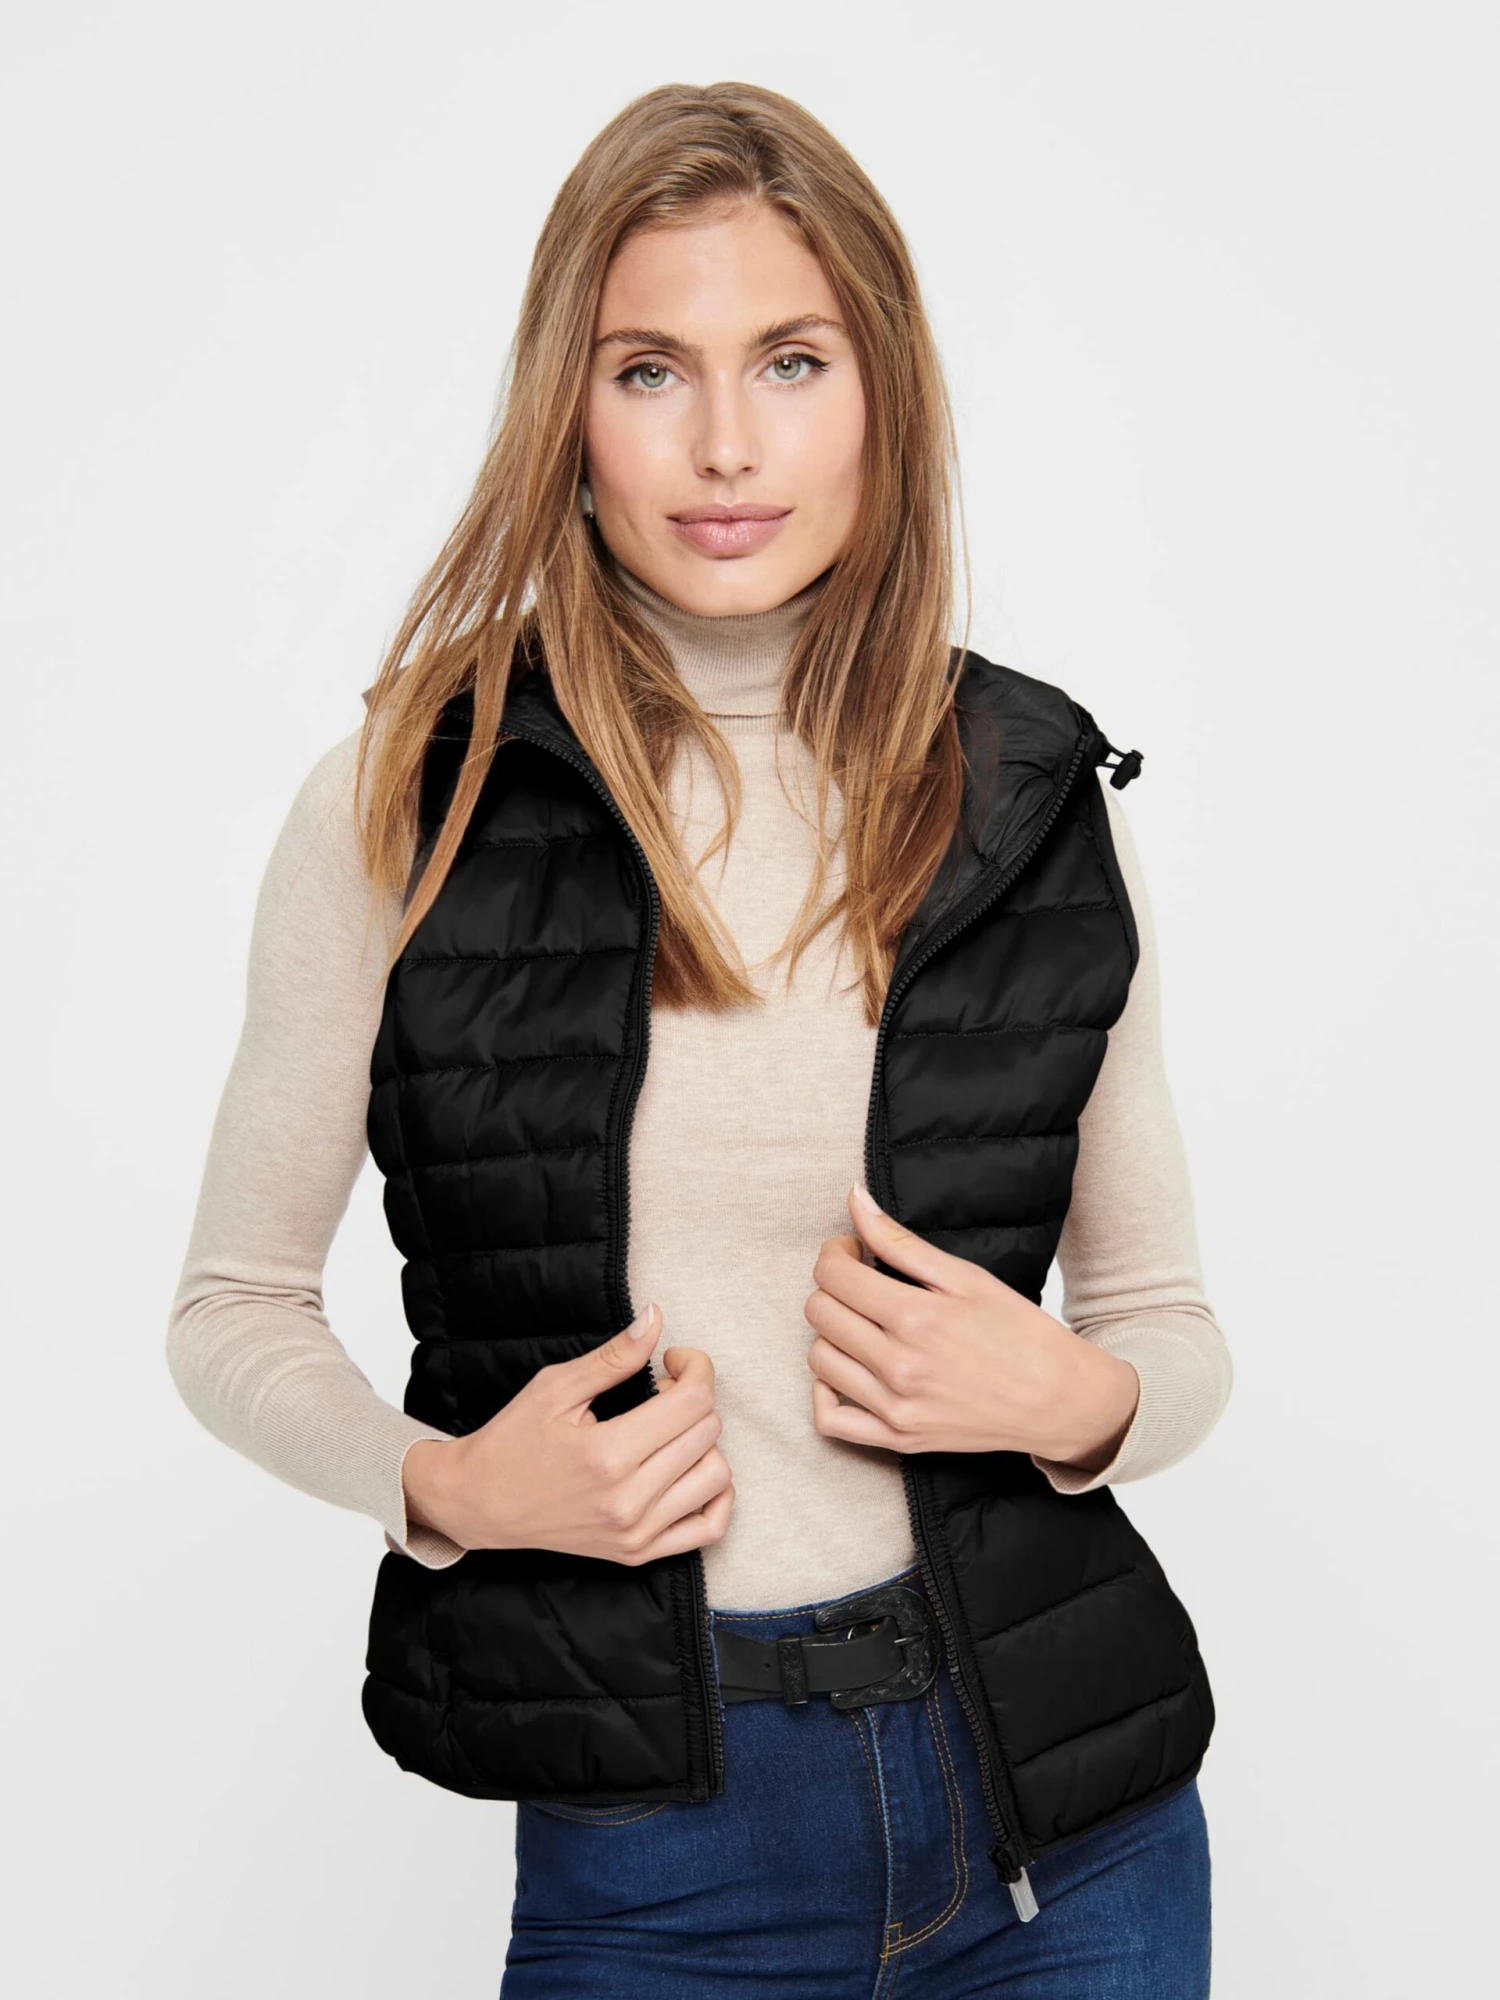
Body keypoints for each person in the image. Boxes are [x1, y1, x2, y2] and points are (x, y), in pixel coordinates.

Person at [167, 80, 1232, 1998]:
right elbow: (232, 1307)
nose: (726, 443)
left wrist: (1074, 1401)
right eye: (650, 369)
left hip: (1067, 1842)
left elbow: (1168, 1328)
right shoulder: (411, 798)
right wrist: (448, 1491)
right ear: (565, 408)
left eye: (792, 362)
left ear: (881, 394)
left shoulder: (1026, 790)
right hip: (662, 1862)